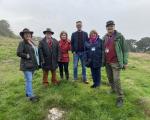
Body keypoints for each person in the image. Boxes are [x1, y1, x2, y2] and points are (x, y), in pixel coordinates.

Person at [103, 20, 128, 107]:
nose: (110, 27)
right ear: (106, 28)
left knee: (116, 79)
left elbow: (125, 49)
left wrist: (125, 62)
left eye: (111, 26)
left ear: (114, 26)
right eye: (108, 26)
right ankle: (113, 89)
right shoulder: (105, 37)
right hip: (107, 62)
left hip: (116, 62)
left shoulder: (119, 36)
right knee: (110, 78)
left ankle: (120, 98)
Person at [17, 28, 39, 102]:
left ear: (31, 35)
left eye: (29, 34)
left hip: (32, 65)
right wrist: (26, 55)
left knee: (28, 80)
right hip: (26, 65)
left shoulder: (32, 43)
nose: (28, 35)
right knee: (29, 80)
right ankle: (30, 96)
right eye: (26, 34)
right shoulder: (22, 43)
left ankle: (28, 93)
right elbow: (18, 53)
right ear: (23, 35)